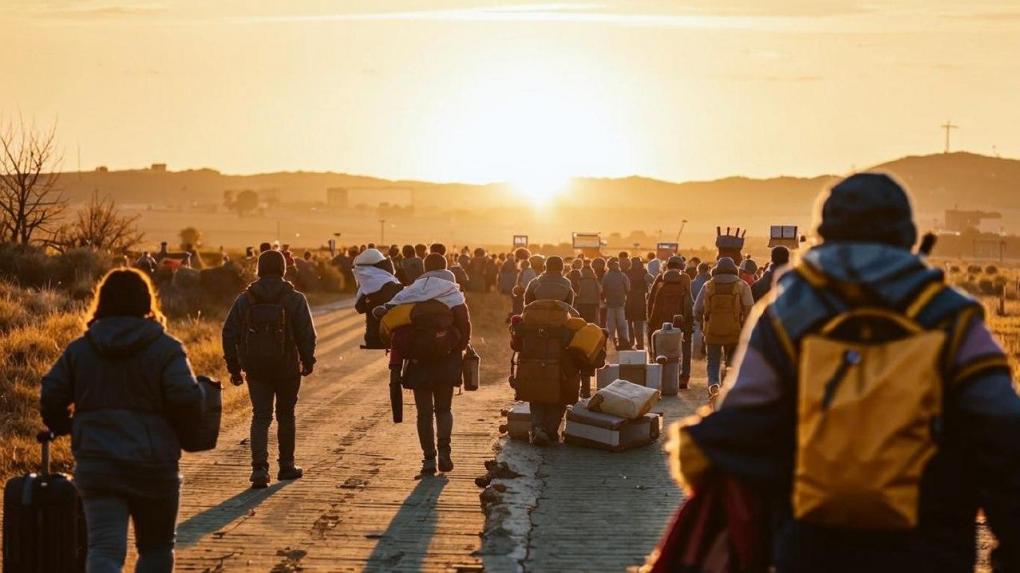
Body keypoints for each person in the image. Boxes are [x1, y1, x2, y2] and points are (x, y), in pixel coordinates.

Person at [673, 173, 1020, 572]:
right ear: (907, 236)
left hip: (809, 545)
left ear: (822, 234)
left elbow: (740, 425)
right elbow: (1004, 431)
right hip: (929, 547)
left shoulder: (786, 312)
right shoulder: (951, 315)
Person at [41, 268, 203, 572]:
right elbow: (186, 398)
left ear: (102, 301)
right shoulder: (166, 348)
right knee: (156, 549)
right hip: (154, 465)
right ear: (147, 301)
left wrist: (69, 427)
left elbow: (51, 393)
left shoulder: (81, 349)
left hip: (97, 462)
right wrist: (181, 431)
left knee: (103, 548)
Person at [222, 251, 316, 489]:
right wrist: (307, 360)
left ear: (259, 269)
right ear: (284, 269)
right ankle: (286, 466)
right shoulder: (295, 298)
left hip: (255, 367)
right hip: (287, 367)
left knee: (260, 416)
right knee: (286, 415)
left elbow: (229, 332)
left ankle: (259, 470)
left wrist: (234, 367)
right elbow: (307, 334)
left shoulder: (245, 299)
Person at [384, 253, 471, 475]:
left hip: (418, 361)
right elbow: (465, 330)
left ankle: (429, 459)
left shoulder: (413, 291)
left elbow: (396, 325)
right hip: (447, 359)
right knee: (444, 409)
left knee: (424, 413)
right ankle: (445, 451)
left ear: (425, 268)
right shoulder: (454, 294)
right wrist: (452, 349)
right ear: (446, 268)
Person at [521, 256, 580, 444]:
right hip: (559, 343)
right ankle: (551, 429)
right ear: (562, 268)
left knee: (535, 382)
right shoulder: (567, 285)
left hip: (534, 341)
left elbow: (526, 308)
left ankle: (537, 427)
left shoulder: (534, 283)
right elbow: (571, 311)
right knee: (561, 385)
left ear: (545, 267)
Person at [693, 257, 753, 386]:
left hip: (712, 331)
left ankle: (713, 386)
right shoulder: (742, 285)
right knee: (732, 362)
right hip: (735, 331)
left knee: (713, 361)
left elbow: (697, 309)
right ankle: (727, 388)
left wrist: (703, 323)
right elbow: (749, 309)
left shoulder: (708, 285)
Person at [647, 256, 694, 387]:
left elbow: (651, 300)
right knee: (685, 348)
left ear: (667, 265)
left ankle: (660, 377)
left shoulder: (661, 278)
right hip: (681, 320)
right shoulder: (685, 278)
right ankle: (684, 377)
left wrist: (651, 320)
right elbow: (689, 301)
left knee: (661, 349)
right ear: (681, 266)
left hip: (661, 321)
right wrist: (689, 320)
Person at [353, 248, 404, 348]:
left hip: (372, 337)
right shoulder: (393, 285)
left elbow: (359, 308)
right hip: (391, 336)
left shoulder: (366, 288)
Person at [601, 258, 632, 350]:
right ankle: (624, 342)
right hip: (620, 303)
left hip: (610, 303)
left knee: (611, 325)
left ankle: (611, 344)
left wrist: (606, 298)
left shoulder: (606, 276)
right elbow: (628, 288)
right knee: (622, 324)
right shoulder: (623, 275)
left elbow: (603, 289)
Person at [625, 256, 652, 350]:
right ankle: (640, 344)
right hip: (640, 300)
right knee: (638, 324)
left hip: (629, 299)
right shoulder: (644, 272)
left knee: (629, 322)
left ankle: (631, 342)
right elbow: (651, 280)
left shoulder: (627, 272)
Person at [575, 259, 602, 324]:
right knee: (590, 321)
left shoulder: (579, 278)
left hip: (580, 302)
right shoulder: (594, 279)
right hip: (592, 303)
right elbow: (600, 290)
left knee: (581, 321)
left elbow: (576, 290)